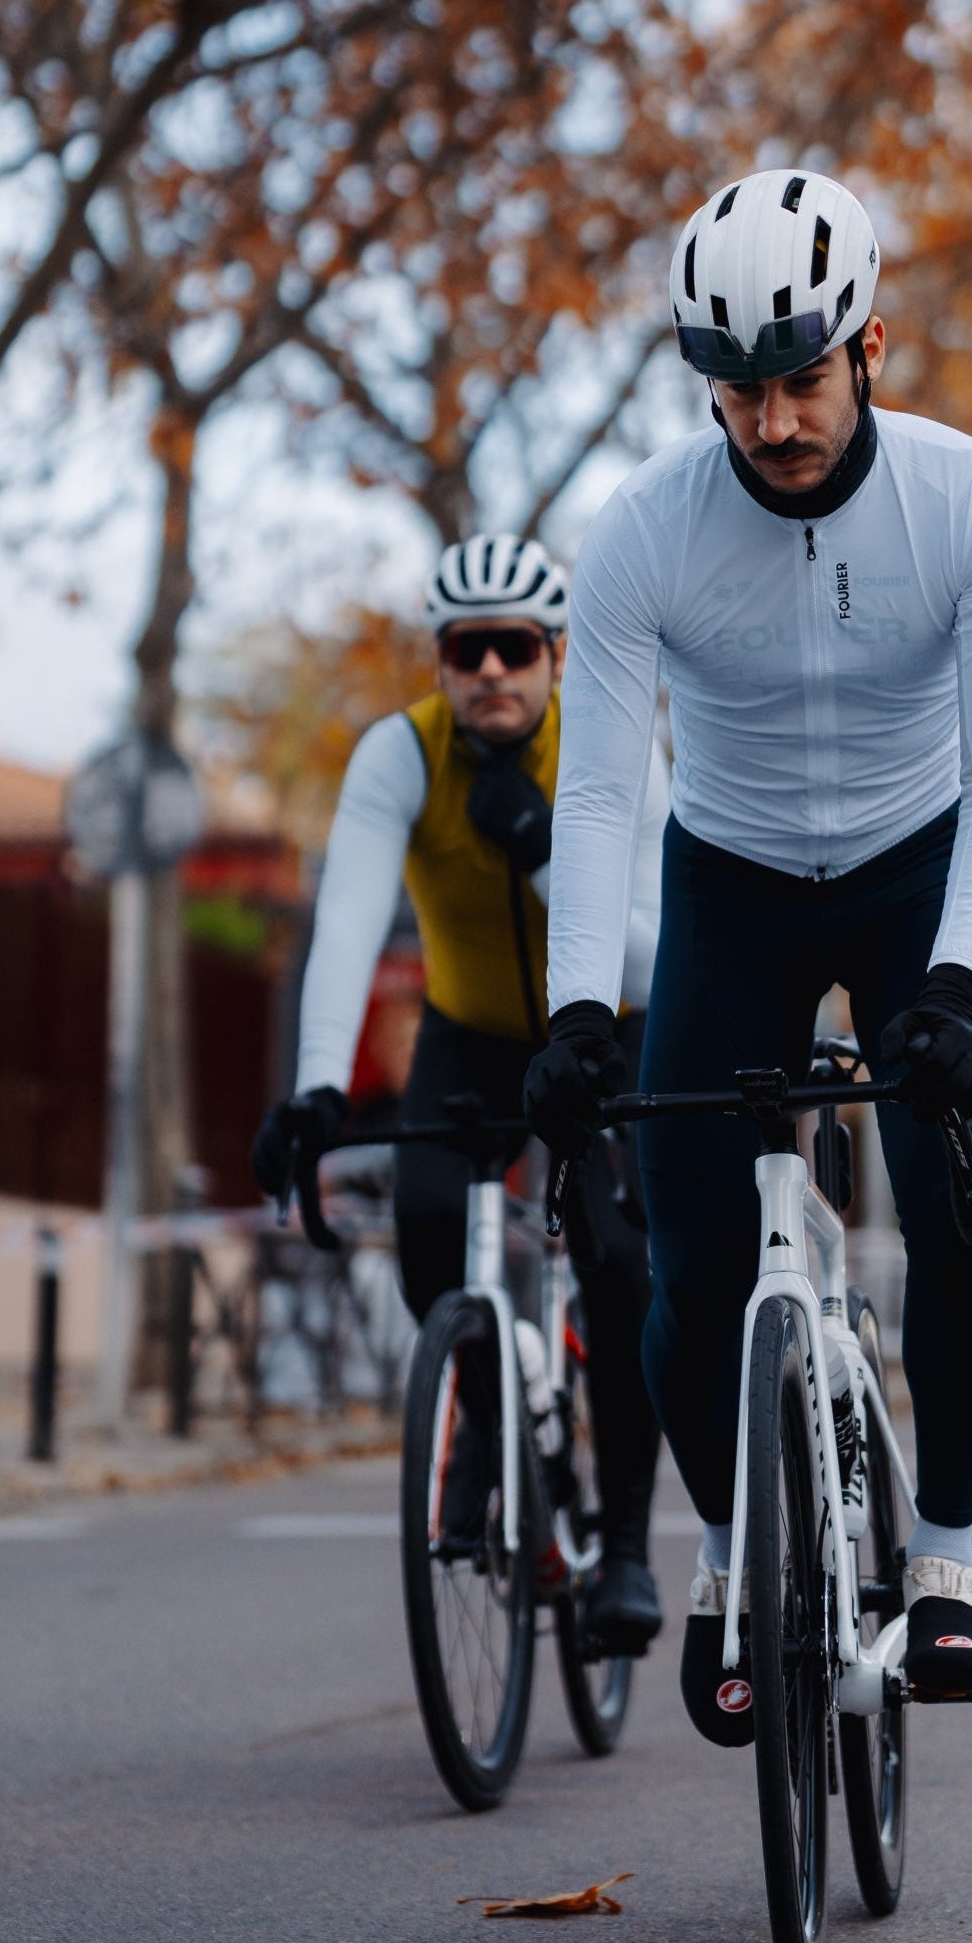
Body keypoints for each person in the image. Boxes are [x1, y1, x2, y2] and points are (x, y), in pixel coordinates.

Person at [521, 167, 972, 1745]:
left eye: (801, 379)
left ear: (872, 344)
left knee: (954, 1202)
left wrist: (958, 982)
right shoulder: (643, 536)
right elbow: (605, 788)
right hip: (733, 884)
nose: (771, 424)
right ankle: (735, 1558)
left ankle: (944, 1560)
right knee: (683, 1266)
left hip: (921, 874)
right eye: (736, 392)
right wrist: (573, 1014)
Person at [251, 534, 672, 1653]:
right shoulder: (397, 755)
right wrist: (317, 1090)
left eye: (515, 647)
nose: (491, 669)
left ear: (558, 654)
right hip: (471, 1032)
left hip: (602, 1035)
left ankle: (624, 1550)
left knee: (618, 1262)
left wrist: (542, 850)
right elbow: (344, 921)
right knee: (430, 1221)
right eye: (465, 648)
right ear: (437, 663)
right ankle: (485, 1419)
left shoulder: (612, 742)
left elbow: (653, 959)